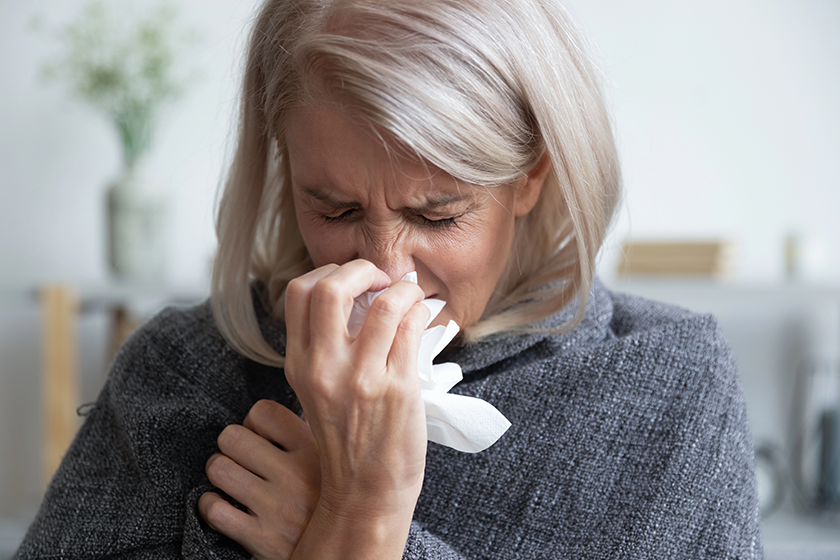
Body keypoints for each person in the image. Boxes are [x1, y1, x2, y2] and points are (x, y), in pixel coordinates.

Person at [15, 0, 763, 558]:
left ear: (530, 176)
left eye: (438, 216)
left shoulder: (670, 384)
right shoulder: (184, 370)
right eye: (334, 207)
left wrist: (359, 516)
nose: (384, 269)